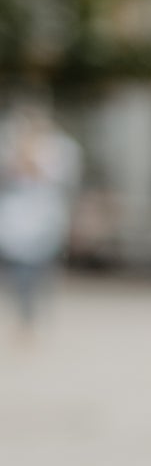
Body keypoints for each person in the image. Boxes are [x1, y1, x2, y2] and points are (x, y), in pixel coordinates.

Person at [0, 101, 81, 330]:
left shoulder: (59, 148)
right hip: (16, 220)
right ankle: (25, 313)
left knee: (42, 267)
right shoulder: (9, 146)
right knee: (18, 270)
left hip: (45, 217)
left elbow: (58, 178)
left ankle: (34, 312)